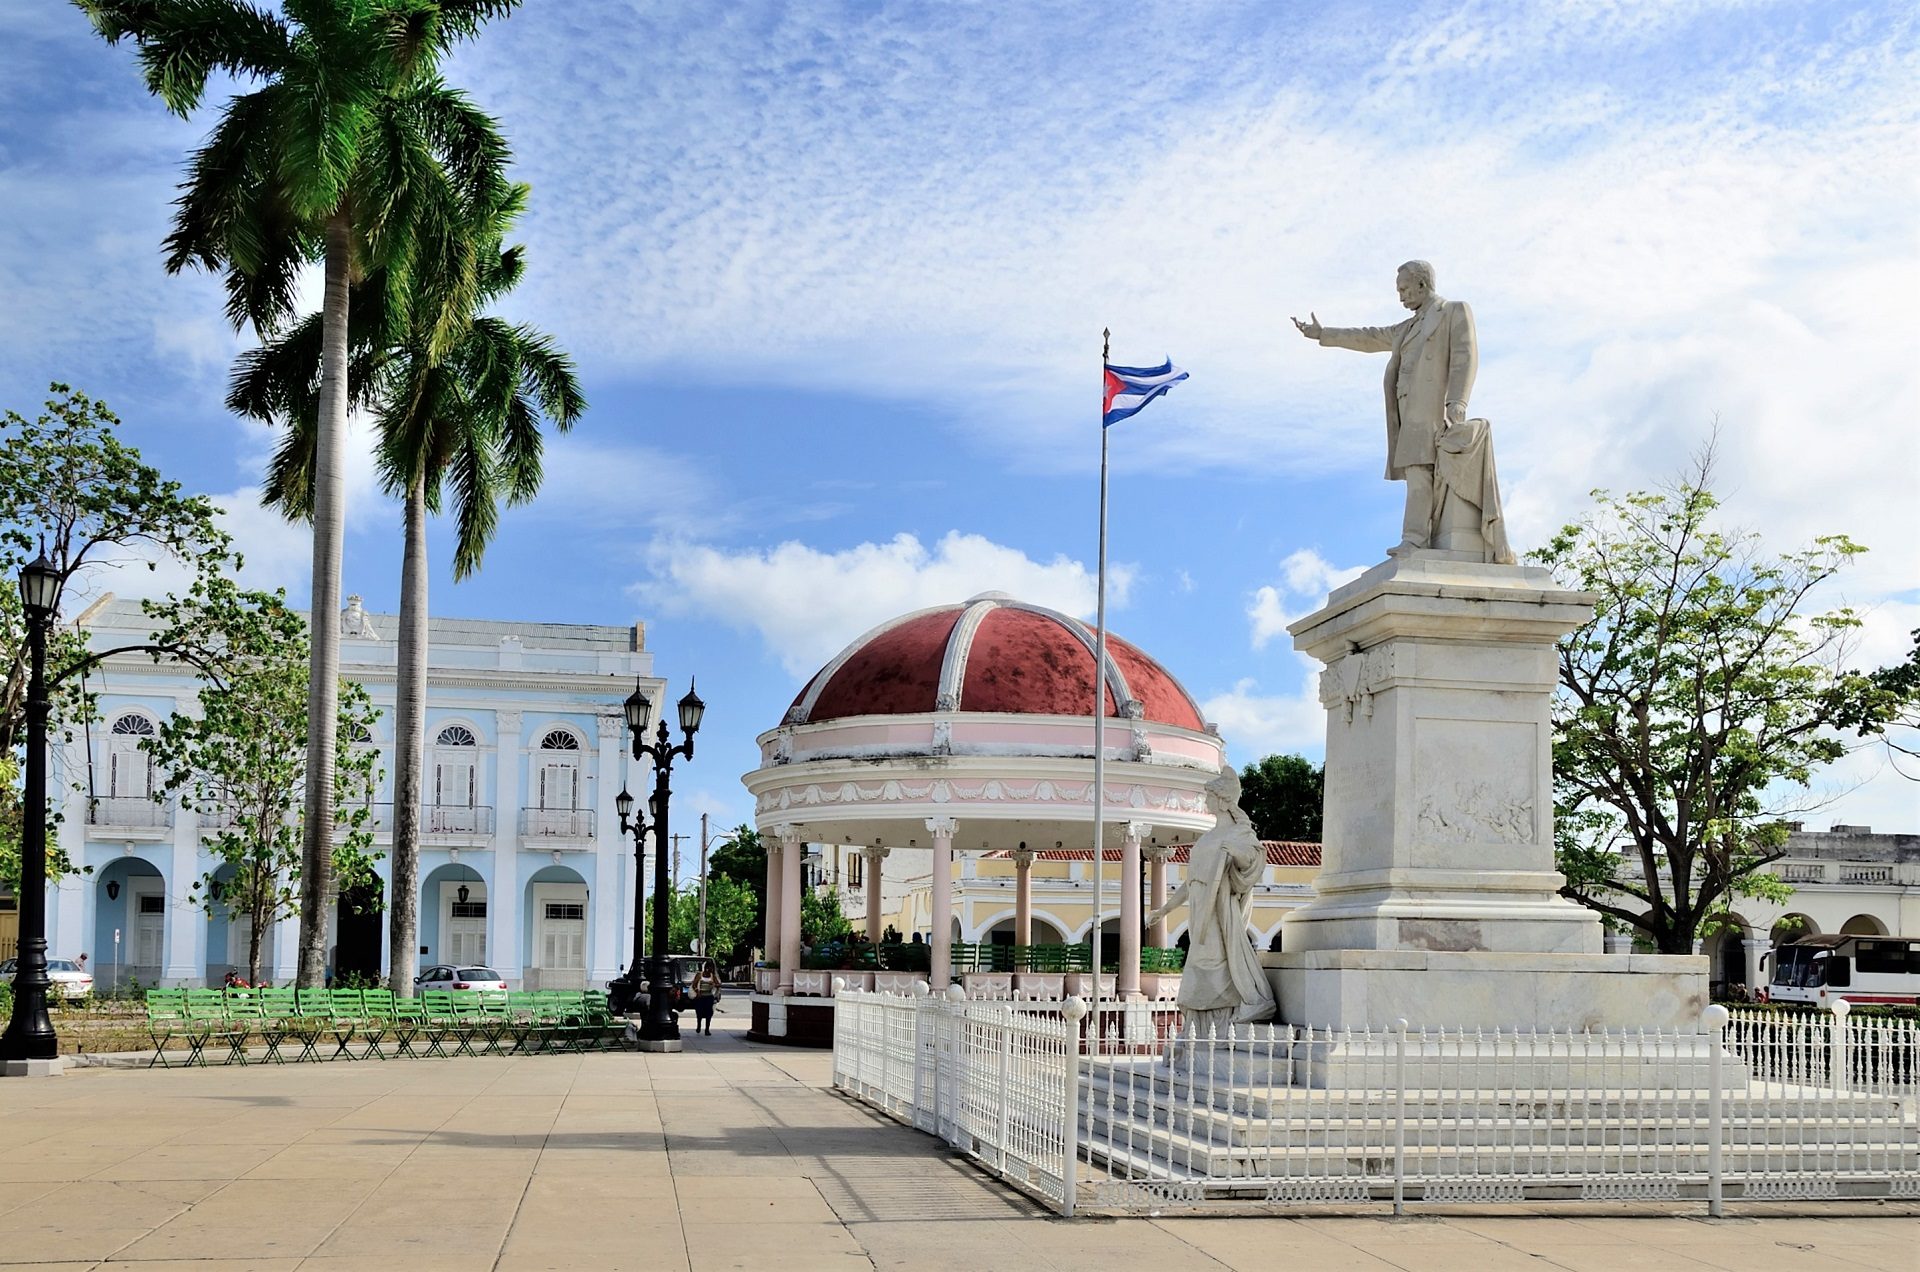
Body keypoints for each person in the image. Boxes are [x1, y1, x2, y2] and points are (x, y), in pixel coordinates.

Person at [1291, 260, 1481, 558]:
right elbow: (1369, 336)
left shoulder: (1452, 311)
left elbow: (1465, 355)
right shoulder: (1405, 328)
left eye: (1404, 289)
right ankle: (1418, 537)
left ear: (1422, 283)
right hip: (1408, 411)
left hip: (1432, 407)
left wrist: (1457, 401)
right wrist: (1323, 334)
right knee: (1417, 471)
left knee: (1422, 470)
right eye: (1398, 291)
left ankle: (1416, 539)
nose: (1401, 296)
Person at [1146, 767, 1277, 1033]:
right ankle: (1200, 1027)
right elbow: (1191, 883)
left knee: (1216, 967)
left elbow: (1253, 864)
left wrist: (1236, 853)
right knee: (1198, 967)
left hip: (1219, 911)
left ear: (1223, 799)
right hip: (1200, 912)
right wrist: (1165, 909)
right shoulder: (1207, 838)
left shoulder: (1239, 834)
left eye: (1209, 796)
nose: (1206, 801)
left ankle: (1222, 1022)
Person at [689, 963, 722, 1036]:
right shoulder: (699, 975)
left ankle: (707, 1029)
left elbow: (719, 984)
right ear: (705, 968)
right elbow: (694, 984)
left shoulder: (712, 976)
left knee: (709, 1013)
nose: (709, 970)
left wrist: (714, 984)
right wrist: (697, 991)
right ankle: (699, 1026)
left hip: (709, 996)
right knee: (699, 1012)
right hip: (700, 997)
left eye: (711, 969)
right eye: (708, 968)